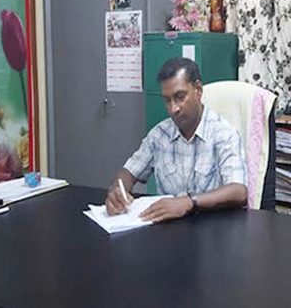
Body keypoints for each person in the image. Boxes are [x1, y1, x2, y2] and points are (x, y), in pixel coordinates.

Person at [105, 57, 248, 222]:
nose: (173, 108)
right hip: (168, 229)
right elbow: (128, 173)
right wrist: (117, 190)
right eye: (167, 100)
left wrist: (189, 202)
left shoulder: (224, 134)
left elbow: (239, 191)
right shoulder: (159, 135)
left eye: (180, 97)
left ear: (198, 90)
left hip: (212, 228)